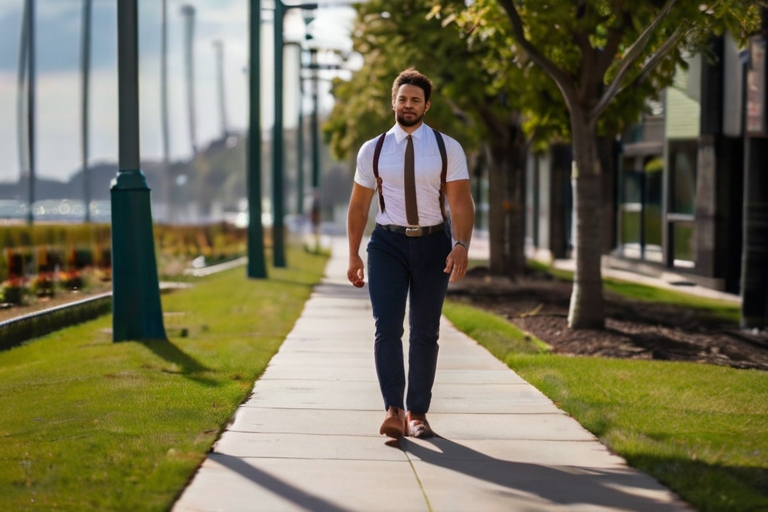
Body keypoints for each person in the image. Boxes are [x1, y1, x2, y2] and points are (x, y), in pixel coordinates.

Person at [346, 68, 475, 439]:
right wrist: (353, 254)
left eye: (415, 100)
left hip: (434, 243)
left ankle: (417, 413)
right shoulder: (373, 150)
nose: (408, 105)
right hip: (387, 244)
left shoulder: (446, 148)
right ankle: (394, 409)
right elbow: (358, 206)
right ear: (393, 102)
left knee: (425, 331)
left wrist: (461, 244)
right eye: (402, 98)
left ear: (426, 105)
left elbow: (461, 201)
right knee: (386, 327)